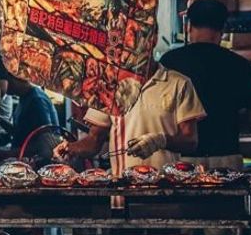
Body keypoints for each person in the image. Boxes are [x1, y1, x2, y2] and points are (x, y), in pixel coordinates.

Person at [160, 0, 251, 170]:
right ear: (223, 30)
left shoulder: (170, 61)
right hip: (226, 159)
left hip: (182, 162)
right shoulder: (239, 64)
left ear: (188, 27)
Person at [54, 61, 206, 177]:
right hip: (123, 188)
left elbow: (190, 141)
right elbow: (94, 140)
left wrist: (160, 140)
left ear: (152, 41)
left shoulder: (179, 83)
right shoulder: (109, 86)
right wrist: (71, 148)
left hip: (166, 188)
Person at [5, 73, 59, 165]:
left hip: (39, 163)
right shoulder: (25, 97)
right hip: (25, 156)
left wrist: (6, 154)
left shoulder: (37, 100)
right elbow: (23, 131)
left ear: (18, 79)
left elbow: (43, 144)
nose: (6, 83)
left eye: (8, 79)